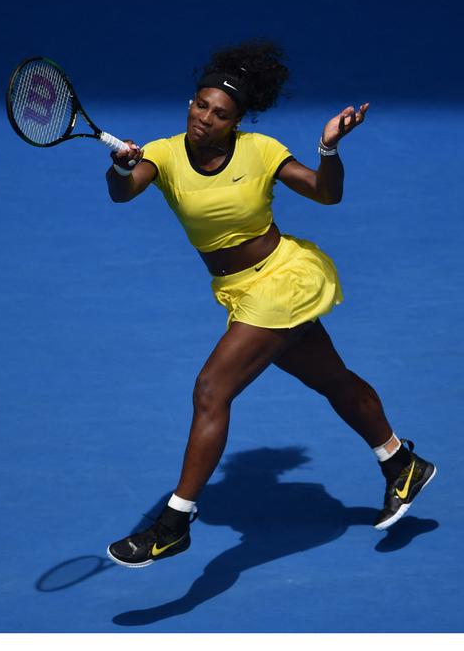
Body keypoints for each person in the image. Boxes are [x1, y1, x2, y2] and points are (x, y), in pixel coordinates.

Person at [101, 40, 435, 568]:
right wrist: (122, 167)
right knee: (330, 378)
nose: (204, 118)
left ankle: (174, 523)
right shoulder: (162, 154)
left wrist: (329, 149)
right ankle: (401, 463)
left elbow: (327, 194)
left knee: (212, 389)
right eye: (199, 104)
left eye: (220, 113)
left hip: (284, 280)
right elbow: (123, 193)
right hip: (240, 290)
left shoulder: (260, 150)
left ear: (237, 121)